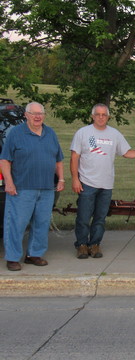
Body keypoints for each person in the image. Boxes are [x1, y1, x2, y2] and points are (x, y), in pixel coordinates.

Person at [71, 104, 135, 259]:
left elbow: (126, 152)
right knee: (83, 217)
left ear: (108, 117)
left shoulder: (114, 134)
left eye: (104, 115)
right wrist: (75, 179)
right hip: (87, 182)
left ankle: (95, 245)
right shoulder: (82, 133)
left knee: (100, 218)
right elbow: (74, 157)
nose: (101, 117)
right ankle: (82, 245)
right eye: (98, 114)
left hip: (106, 184)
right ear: (92, 116)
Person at [0, 102, 65, 271]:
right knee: (16, 223)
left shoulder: (50, 133)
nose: (38, 117)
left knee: (41, 223)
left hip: (46, 188)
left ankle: (34, 254)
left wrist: (61, 179)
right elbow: (5, 160)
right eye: (34, 113)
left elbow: (58, 159)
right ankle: (13, 258)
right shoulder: (15, 133)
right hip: (22, 188)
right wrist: (9, 182)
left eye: (41, 113)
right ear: (26, 115)